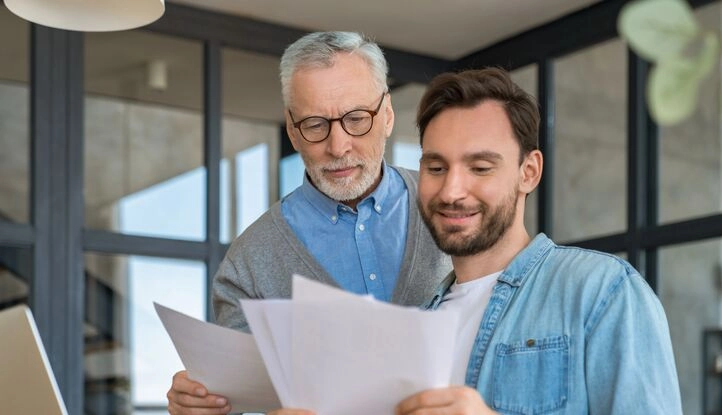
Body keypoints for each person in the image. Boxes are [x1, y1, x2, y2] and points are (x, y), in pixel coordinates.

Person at [166, 31, 451, 415]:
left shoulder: (452, 206)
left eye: (356, 119)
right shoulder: (249, 263)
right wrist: (204, 406)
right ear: (291, 129)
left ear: (387, 115)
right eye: (315, 124)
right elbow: (238, 402)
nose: (338, 146)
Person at [392, 67, 682, 413]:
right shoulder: (419, 327)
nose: (452, 191)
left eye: (480, 168)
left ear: (528, 172)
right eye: (436, 168)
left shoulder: (602, 291)